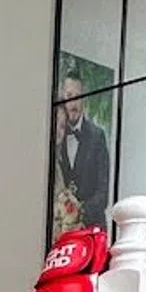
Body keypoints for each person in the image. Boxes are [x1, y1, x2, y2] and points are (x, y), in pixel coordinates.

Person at [51, 73, 110, 234]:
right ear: (63, 96)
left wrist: (78, 212)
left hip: (91, 230)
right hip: (61, 232)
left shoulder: (97, 136)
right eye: (69, 96)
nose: (74, 103)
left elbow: (103, 193)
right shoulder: (56, 134)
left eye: (78, 97)